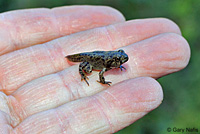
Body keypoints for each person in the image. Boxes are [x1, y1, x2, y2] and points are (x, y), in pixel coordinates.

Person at [0, 6, 190, 133]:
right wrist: (98, 79)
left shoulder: (113, 62)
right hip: (93, 57)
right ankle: (81, 71)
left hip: (99, 55)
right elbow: (100, 72)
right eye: (119, 59)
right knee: (84, 65)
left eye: (121, 58)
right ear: (114, 60)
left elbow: (113, 63)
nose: (122, 60)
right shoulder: (105, 65)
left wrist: (119, 65)